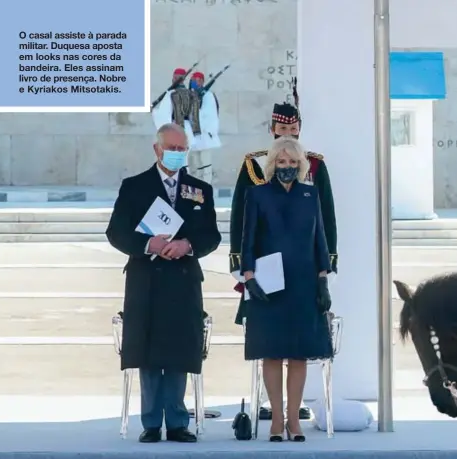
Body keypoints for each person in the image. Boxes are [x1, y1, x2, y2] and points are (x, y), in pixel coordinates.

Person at [105, 123, 222, 443]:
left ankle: (178, 420)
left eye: (181, 149)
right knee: (148, 349)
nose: (176, 154)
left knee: (179, 349)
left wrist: (188, 245)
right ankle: (152, 422)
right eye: (171, 149)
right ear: (157, 150)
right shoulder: (134, 186)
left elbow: (211, 235)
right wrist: (148, 244)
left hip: (183, 280)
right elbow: (116, 232)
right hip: (147, 280)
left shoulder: (199, 189)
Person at [228, 101, 338, 420]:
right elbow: (240, 221)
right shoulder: (254, 165)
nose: (287, 134)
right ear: (272, 129)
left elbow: (326, 220)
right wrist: (242, 268)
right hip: (264, 269)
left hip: (304, 270)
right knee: (268, 344)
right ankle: (272, 408)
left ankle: (294, 409)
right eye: (282, 129)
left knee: (301, 345)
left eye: (293, 129)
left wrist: (326, 267)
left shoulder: (314, 166)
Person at [151, 68, 221, 182]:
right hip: (189, 132)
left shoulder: (172, 94)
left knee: (183, 163)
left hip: (180, 131)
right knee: (190, 163)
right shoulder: (192, 94)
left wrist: (153, 111)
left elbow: (164, 115)